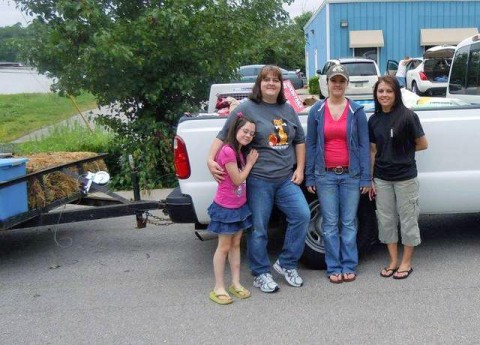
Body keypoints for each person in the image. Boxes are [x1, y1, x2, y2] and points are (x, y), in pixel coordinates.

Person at [207, 65, 310, 293]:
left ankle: (286, 264)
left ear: (281, 84)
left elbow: (299, 140)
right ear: (259, 84)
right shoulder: (247, 108)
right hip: (258, 180)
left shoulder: (288, 109)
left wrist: (300, 169)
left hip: (285, 179)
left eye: (276, 80)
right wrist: (209, 159)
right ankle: (260, 273)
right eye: (267, 80)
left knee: (302, 215)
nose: (271, 84)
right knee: (259, 229)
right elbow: (224, 134)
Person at [305, 64, 371, 284]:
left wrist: (365, 177)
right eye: (334, 80)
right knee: (331, 224)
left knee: (349, 222)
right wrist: (310, 175)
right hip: (325, 175)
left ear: (347, 84)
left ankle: (349, 264)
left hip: (351, 175)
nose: (337, 84)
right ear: (327, 83)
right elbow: (311, 144)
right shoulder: (316, 111)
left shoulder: (356, 111)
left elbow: (364, 146)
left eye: (342, 81)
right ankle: (333, 266)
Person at [368, 75, 428, 280]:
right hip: (382, 179)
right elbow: (373, 150)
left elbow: (422, 144)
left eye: (389, 91)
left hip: (405, 178)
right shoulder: (374, 120)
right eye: (381, 91)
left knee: (408, 220)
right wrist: (371, 178)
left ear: (396, 94)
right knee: (386, 221)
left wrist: (402, 153)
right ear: (376, 94)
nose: (384, 95)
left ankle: (406, 262)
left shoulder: (408, 116)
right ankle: (393, 260)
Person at [207, 115, 259, 305]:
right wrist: (251, 163)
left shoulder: (239, 151)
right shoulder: (228, 151)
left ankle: (235, 283)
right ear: (235, 130)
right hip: (226, 207)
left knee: (236, 244)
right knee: (223, 247)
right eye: (245, 131)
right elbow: (237, 179)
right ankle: (218, 287)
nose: (248, 136)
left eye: (251, 134)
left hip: (238, 206)